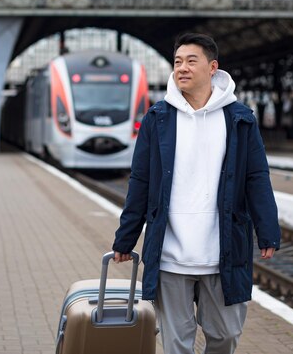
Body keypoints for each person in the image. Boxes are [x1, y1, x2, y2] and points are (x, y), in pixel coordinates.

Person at [112, 33, 281, 354]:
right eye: (177, 62)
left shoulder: (239, 118)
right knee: (177, 342)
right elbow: (141, 181)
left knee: (226, 335)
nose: (182, 68)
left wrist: (268, 231)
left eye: (191, 61)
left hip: (223, 254)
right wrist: (126, 237)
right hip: (171, 254)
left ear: (213, 68)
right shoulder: (158, 118)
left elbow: (256, 177)